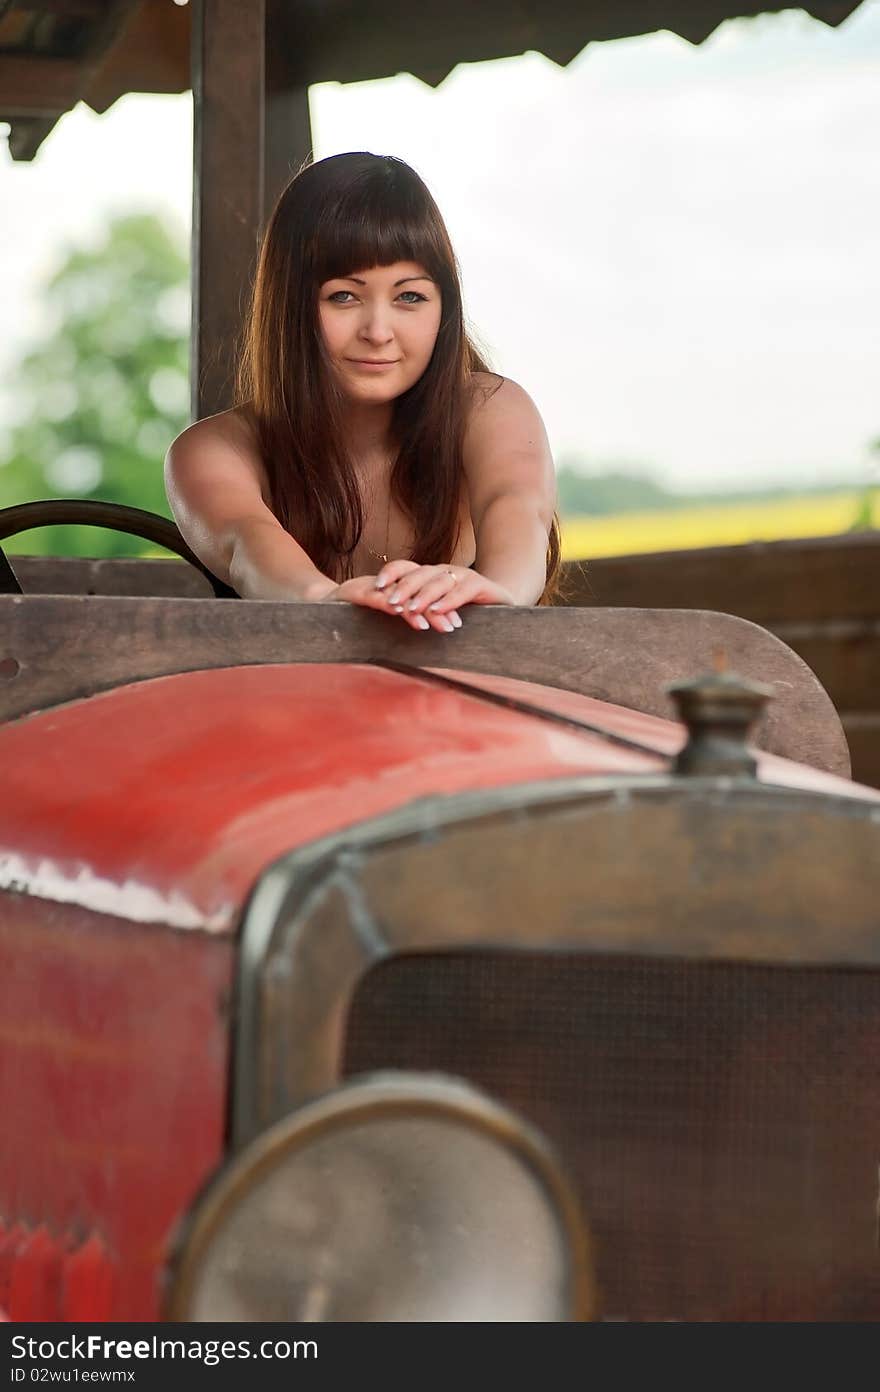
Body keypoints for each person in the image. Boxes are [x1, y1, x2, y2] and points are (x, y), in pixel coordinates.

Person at [165, 152, 560, 634]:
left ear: (444, 308)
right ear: (290, 306)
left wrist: (497, 590)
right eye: (343, 296)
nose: (378, 331)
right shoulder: (213, 451)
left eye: (409, 297)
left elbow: (518, 507)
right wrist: (325, 598)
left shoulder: (488, 407)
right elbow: (246, 543)